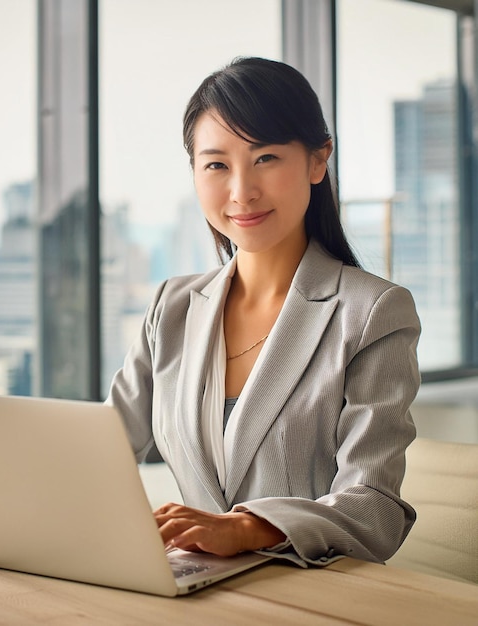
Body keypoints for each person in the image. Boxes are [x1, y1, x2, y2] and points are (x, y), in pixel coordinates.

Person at [106, 57, 421, 568]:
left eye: (266, 158)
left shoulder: (373, 312)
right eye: (216, 164)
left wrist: (249, 528)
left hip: (305, 597)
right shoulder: (172, 307)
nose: (241, 191)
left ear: (318, 161)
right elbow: (101, 453)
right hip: (188, 589)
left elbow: (375, 510)